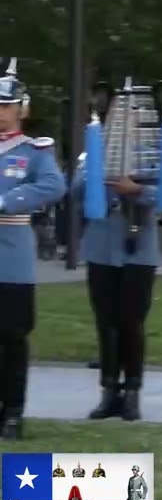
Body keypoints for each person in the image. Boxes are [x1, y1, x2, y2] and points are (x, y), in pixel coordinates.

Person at [73, 82, 162, 423]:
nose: (125, 119)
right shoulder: (94, 150)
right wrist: (98, 174)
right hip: (102, 248)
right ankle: (108, 391)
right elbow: (76, 190)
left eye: (133, 112)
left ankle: (132, 391)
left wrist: (137, 190)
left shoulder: (156, 153)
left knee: (132, 322)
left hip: (139, 248)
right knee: (106, 322)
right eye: (120, 112)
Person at [0, 58, 65, 441]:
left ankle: (12, 411)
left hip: (11, 256)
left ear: (21, 109)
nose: (1, 113)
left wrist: (7, 200)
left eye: (7, 106)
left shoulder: (34, 151)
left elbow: (53, 186)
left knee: (12, 337)